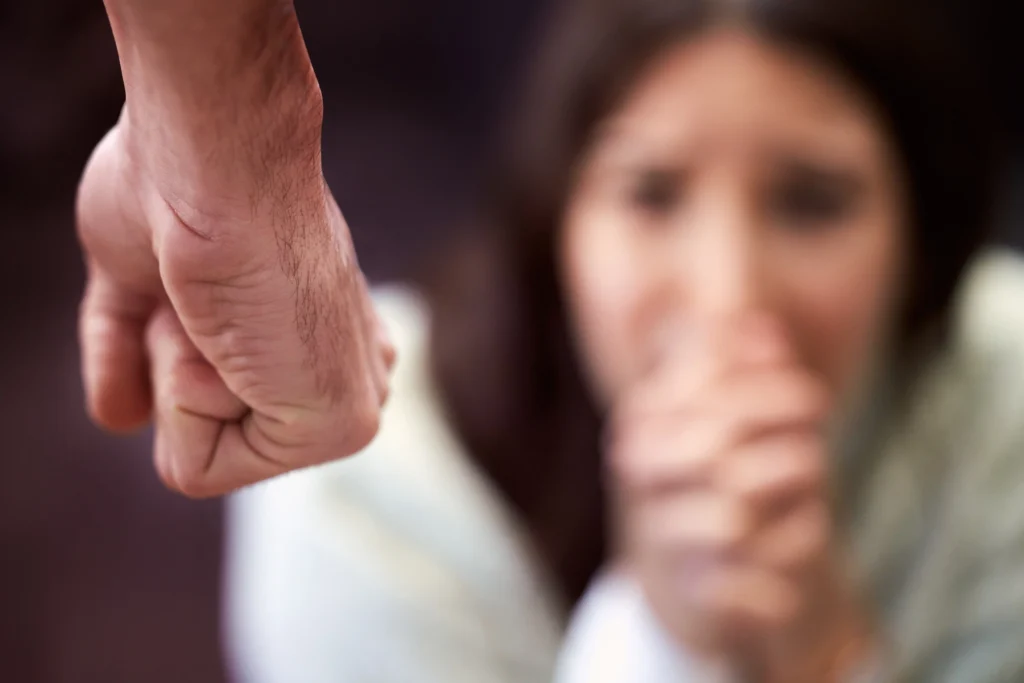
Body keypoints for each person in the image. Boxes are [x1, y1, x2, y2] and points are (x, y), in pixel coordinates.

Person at [76, 0, 1024, 681]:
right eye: (651, 193)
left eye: (812, 202)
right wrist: (662, 641)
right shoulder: (371, 474)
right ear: (556, 218)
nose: (728, 294)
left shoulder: (1003, 407)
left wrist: (826, 655)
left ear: (928, 234)